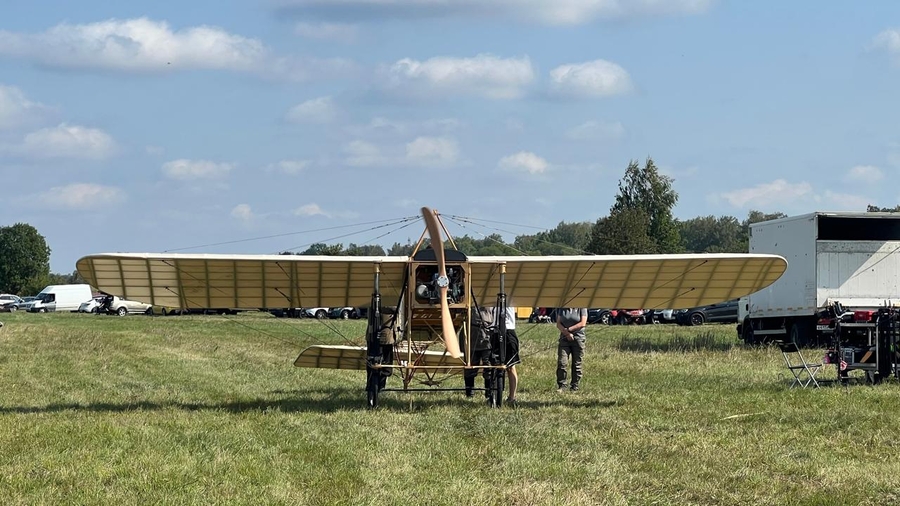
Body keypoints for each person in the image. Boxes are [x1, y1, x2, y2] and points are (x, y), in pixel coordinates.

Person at [555, 307, 588, 391]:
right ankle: (562, 385)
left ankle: (575, 386)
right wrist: (566, 333)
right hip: (564, 338)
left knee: (577, 363)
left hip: (578, 338)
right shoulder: (562, 308)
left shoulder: (582, 308)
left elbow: (583, 323)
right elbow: (558, 323)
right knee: (562, 362)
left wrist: (569, 329)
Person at [496, 304, 521, 403]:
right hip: (495, 330)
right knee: (495, 365)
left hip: (508, 330)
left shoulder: (510, 295)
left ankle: (512, 396)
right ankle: (494, 394)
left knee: (511, 366)